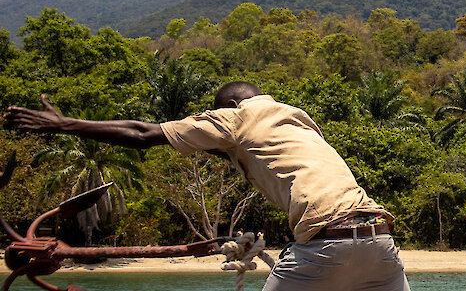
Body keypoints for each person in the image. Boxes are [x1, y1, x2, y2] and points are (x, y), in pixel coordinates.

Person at [4, 82, 411, 291]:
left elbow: (143, 133)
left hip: (326, 245)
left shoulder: (234, 118)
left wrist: (63, 125)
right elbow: (240, 154)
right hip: (380, 240)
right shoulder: (295, 118)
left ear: (228, 108)